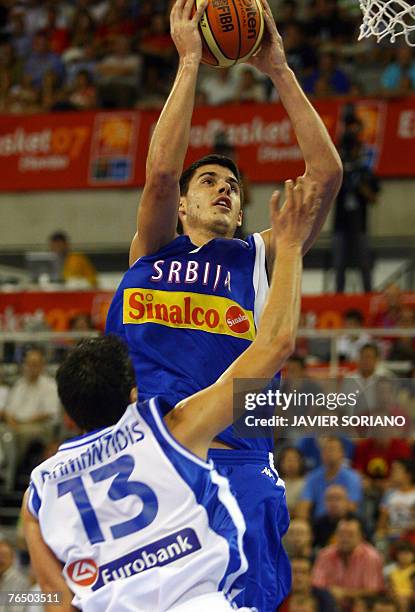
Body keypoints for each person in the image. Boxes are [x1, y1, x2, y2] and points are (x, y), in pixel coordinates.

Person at [105, 0, 342, 608]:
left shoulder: (264, 255)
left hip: (239, 460)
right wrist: (189, 62)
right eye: (208, 181)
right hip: (152, 460)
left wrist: (280, 71)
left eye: (232, 186)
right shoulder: (153, 251)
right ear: (183, 206)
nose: (225, 188)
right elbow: (159, 175)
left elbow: (326, 174)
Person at [22, 175, 316, 612]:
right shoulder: (168, 434)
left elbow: (57, 601)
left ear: (68, 410)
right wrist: (290, 247)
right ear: (133, 392)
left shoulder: (42, 486)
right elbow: (274, 346)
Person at [332, 132, 379, 293]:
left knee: (364, 262)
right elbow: (326, 194)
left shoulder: (364, 170)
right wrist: (342, 176)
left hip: (360, 225)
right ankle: (339, 295)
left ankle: (367, 293)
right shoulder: (338, 171)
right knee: (338, 264)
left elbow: (374, 198)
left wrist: (358, 182)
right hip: (341, 224)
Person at [3, 348, 60, 473]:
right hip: (16, 424)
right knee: (6, 432)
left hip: (40, 427)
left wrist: (23, 422)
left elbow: (49, 413)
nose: (30, 368)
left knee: (15, 435)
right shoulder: (19, 384)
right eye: (28, 364)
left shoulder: (49, 385)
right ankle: (4, 463)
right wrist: (10, 419)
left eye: (34, 364)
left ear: (41, 366)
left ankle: (12, 471)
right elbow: (8, 409)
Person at [312, 517, 384, 610]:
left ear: (361, 537)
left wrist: (344, 593)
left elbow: (373, 591)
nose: (344, 539)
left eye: (350, 535)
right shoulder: (325, 554)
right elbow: (317, 584)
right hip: (329, 605)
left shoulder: (371, 557)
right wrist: (331, 593)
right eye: (341, 534)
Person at [296, 437, 362, 521]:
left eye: (333, 449)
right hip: (319, 523)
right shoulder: (313, 477)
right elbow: (304, 505)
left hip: (344, 521)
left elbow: (352, 507)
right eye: (326, 450)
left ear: (342, 453)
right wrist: (303, 522)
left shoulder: (352, 477)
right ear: (321, 454)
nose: (329, 453)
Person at [312, 484, 354, 548]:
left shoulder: (357, 522)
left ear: (347, 501)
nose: (334, 503)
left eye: (338, 499)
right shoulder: (318, 523)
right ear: (324, 502)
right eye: (330, 499)